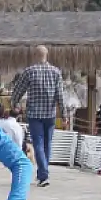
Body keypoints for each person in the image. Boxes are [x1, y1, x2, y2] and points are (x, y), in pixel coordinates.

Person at [11, 45, 63, 188]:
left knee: (38, 144)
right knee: (47, 144)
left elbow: (18, 90)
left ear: (35, 55)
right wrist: (63, 114)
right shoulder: (56, 72)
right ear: (47, 55)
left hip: (34, 114)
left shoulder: (29, 72)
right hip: (50, 114)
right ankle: (43, 173)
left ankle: (43, 175)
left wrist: (14, 102)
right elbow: (60, 95)